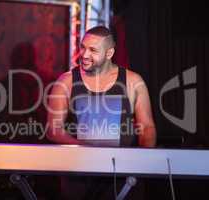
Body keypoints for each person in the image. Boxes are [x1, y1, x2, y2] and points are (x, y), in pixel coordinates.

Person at [46, 26, 156, 199]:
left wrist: (140, 163)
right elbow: (53, 130)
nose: (84, 54)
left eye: (93, 50)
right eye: (82, 47)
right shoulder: (66, 81)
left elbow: (147, 127)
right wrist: (89, 149)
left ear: (109, 53)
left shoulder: (133, 80)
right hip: (78, 177)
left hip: (122, 177)